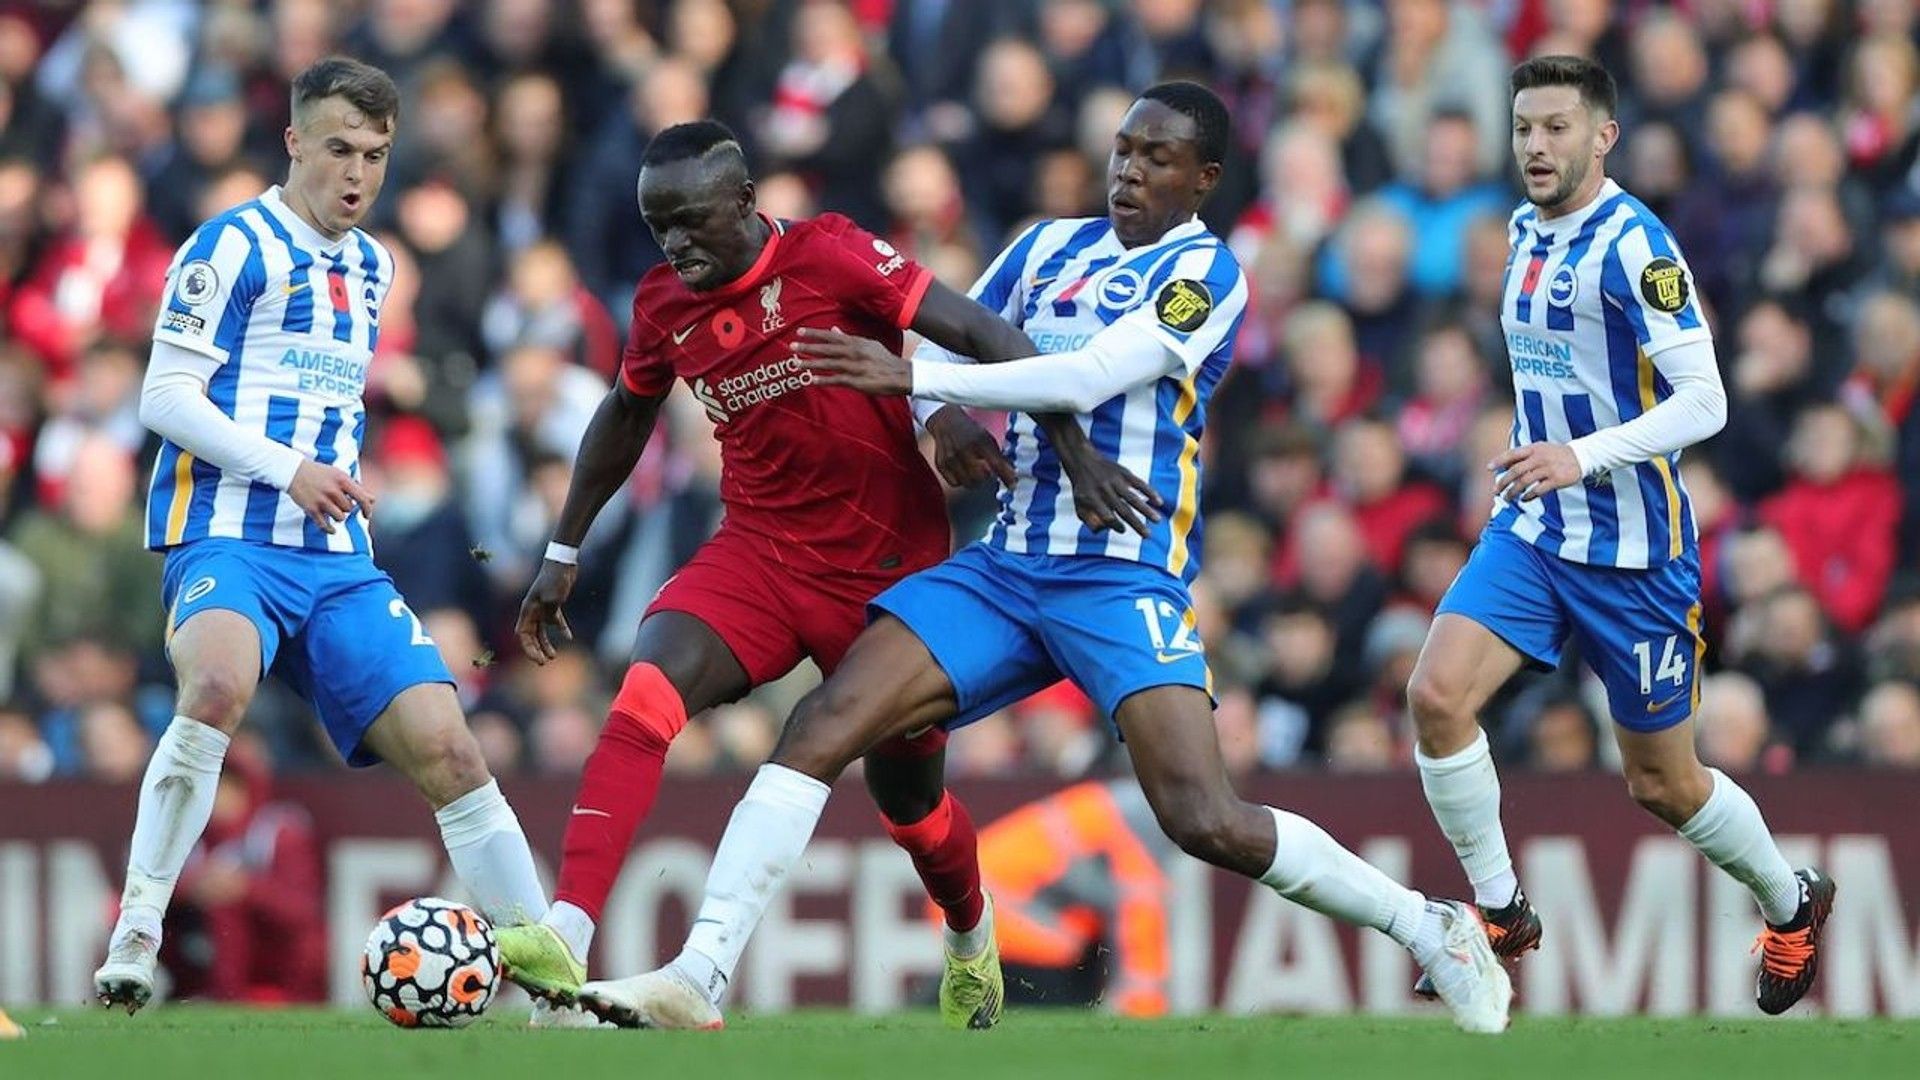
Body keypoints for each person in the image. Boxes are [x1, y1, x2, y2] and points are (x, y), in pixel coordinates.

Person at [577, 83, 1512, 1036]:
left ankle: (1428, 926)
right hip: (1009, 562)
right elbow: (944, 341)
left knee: (1204, 816)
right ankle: (702, 974)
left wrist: (921, 379)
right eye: (1121, 150)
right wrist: (936, 409)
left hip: (1122, 570)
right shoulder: (1043, 248)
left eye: (1156, 157)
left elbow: (1091, 373)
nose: (1129, 170)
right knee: (823, 723)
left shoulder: (1206, 273)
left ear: (1206, 178)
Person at [496, 119, 1158, 1031]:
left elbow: (975, 330)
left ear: (744, 202)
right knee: (646, 690)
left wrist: (1047, 442)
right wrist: (561, 553)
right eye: (659, 229)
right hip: (759, 550)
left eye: (691, 222)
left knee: (912, 806)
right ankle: (566, 934)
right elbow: (624, 414)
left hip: (889, 572)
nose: (676, 246)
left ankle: (970, 928)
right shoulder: (661, 306)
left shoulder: (833, 255)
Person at [94, 58, 552, 1020]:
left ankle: (551, 982)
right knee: (215, 687)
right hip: (228, 534)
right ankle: (136, 935)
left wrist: (336, 472)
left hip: (336, 559)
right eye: (339, 149)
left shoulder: (377, 266)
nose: (357, 174)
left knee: (455, 753)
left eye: (376, 155)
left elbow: (325, 398)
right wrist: (286, 469)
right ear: (295, 141)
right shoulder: (228, 248)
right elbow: (164, 397)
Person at [1401, 55, 1832, 1016]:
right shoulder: (1520, 229)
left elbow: (1707, 402)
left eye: (1557, 128)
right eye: (1523, 129)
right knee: (1435, 697)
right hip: (1534, 533)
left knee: (1662, 783)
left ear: (1604, 136)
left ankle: (1789, 899)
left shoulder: (1638, 247)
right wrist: (1535, 451)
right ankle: (1504, 913)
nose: (1536, 147)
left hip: (1634, 555)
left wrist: (1581, 455)